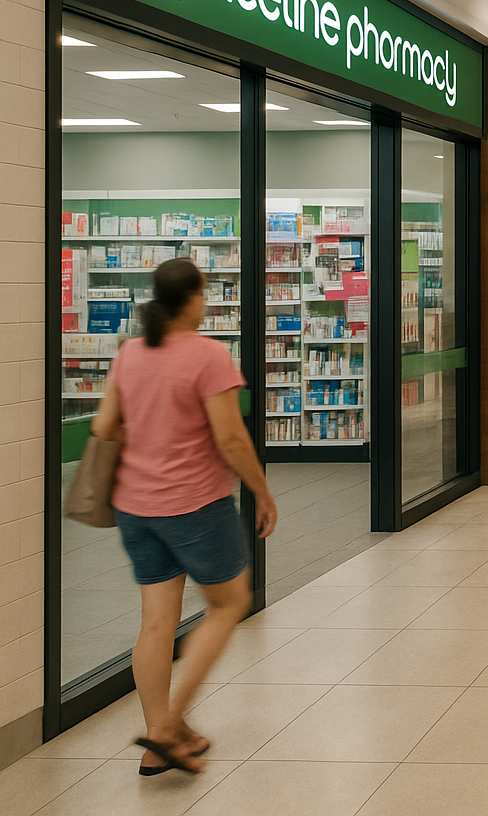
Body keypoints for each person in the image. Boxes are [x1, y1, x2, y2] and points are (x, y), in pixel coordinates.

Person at [91, 258, 278, 776]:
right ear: (193, 299)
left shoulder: (131, 352)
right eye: (205, 293)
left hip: (134, 508)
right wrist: (262, 492)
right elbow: (231, 440)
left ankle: (157, 739)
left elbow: (105, 426)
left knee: (156, 622)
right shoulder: (209, 356)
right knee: (229, 603)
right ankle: (172, 725)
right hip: (194, 505)